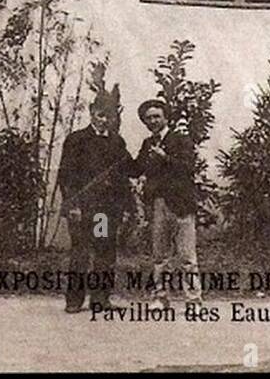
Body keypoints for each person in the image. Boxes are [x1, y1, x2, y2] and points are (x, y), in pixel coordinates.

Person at [58, 85, 133, 313]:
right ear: (91, 112)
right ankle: (74, 300)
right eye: (100, 114)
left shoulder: (116, 143)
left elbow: (126, 173)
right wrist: (72, 205)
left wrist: (127, 206)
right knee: (80, 252)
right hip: (81, 209)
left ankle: (100, 299)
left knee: (103, 251)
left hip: (104, 212)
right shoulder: (77, 140)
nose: (104, 120)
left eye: (109, 116)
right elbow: (66, 175)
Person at [130, 99, 201, 309]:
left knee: (187, 256)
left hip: (181, 204)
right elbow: (136, 168)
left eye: (156, 116)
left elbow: (189, 168)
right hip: (159, 204)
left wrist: (165, 157)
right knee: (160, 256)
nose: (152, 121)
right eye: (148, 118)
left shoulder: (181, 140)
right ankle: (160, 297)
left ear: (165, 118)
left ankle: (193, 300)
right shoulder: (147, 144)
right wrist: (115, 153)